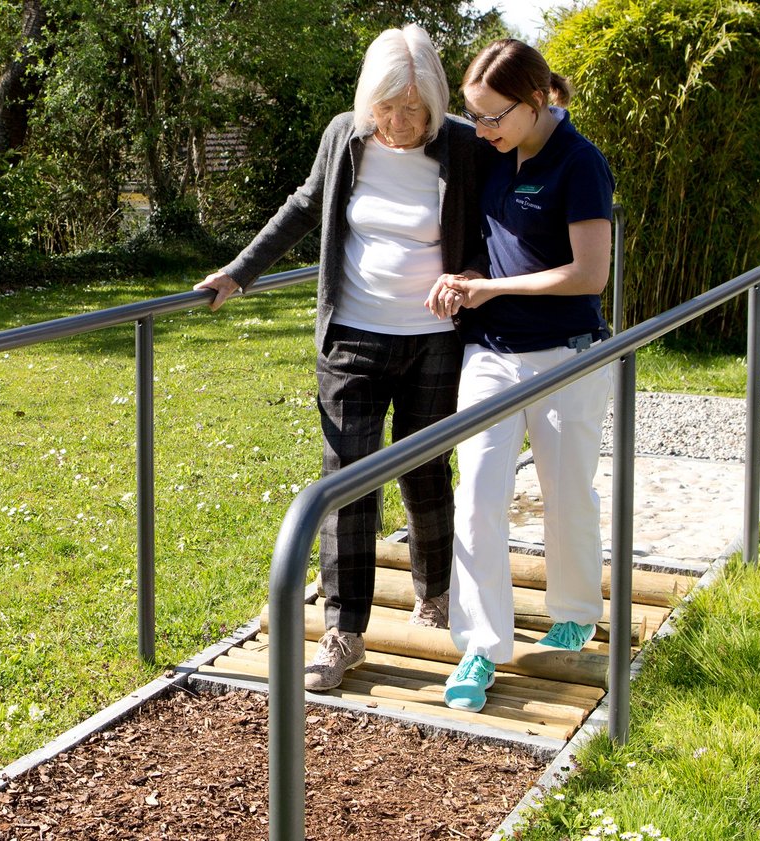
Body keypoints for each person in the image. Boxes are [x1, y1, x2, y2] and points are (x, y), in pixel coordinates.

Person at [195, 24, 490, 692]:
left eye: (415, 110)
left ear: (438, 102)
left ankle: (434, 590)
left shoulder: (465, 147)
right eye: (388, 108)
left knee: (424, 470)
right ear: (368, 102)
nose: (401, 122)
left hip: (435, 339)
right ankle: (344, 629)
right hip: (353, 337)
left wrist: (468, 277)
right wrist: (239, 273)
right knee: (347, 481)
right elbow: (304, 207)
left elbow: (487, 234)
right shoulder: (344, 136)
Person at [426, 39, 616, 712]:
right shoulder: (493, 157)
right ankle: (480, 643)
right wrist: (475, 281)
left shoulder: (580, 161)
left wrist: (496, 291)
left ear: (536, 101)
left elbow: (589, 274)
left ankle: (573, 610)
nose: (480, 131)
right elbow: (498, 256)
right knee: (476, 494)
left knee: (568, 491)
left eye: (491, 117)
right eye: (473, 118)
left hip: (567, 354)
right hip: (492, 352)